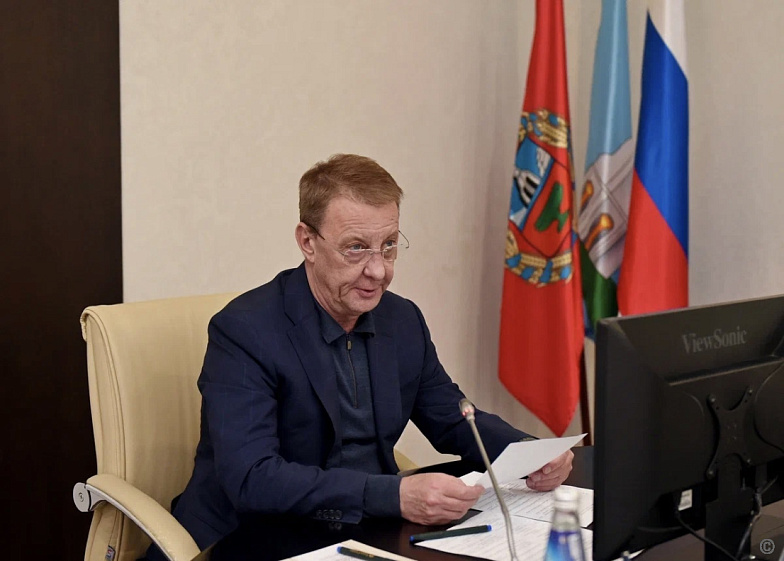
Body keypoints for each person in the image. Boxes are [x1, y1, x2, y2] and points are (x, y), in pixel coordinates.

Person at [147, 153, 573, 559]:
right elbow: (252, 478)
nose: (379, 270)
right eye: (356, 248)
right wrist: (393, 495)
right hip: (256, 535)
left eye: (388, 245)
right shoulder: (245, 330)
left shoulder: (401, 320)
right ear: (307, 242)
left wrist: (530, 451)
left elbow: (452, 417)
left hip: (367, 529)